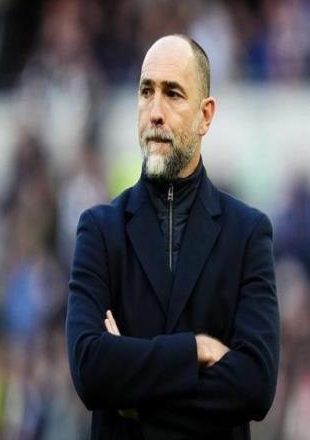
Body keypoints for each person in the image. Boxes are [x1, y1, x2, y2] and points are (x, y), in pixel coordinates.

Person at [66, 34, 280, 440]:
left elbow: (255, 385)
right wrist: (196, 350)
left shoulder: (248, 233)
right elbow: (90, 369)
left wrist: (134, 390)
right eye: (146, 92)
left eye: (173, 94)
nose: (155, 112)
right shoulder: (99, 230)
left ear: (205, 116)